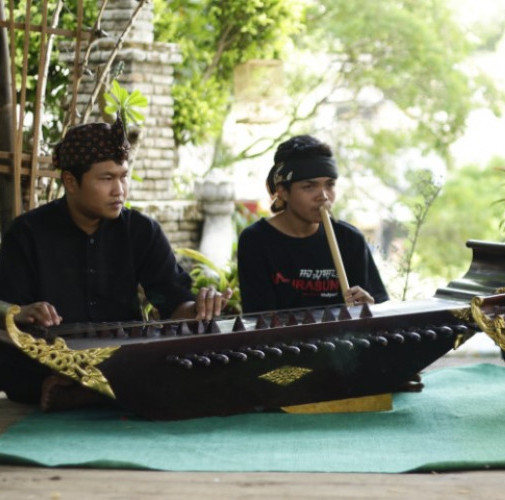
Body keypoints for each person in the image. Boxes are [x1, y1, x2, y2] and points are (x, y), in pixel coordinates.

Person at [0, 115, 232, 408]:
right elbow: (7, 314)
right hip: (50, 361)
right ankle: (77, 388)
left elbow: (173, 303)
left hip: (121, 359)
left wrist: (201, 307)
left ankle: (83, 391)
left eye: (123, 176)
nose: (119, 190)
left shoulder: (141, 231)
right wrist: (23, 312)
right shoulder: (27, 233)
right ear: (70, 181)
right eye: (106, 178)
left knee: (174, 362)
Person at [238, 135, 388, 313]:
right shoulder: (256, 241)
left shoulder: (349, 239)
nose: (323, 196)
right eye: (309, 187)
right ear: (283, 192)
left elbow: (380, 307)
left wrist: (370, 308)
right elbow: (258, 319)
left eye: (330, 185)